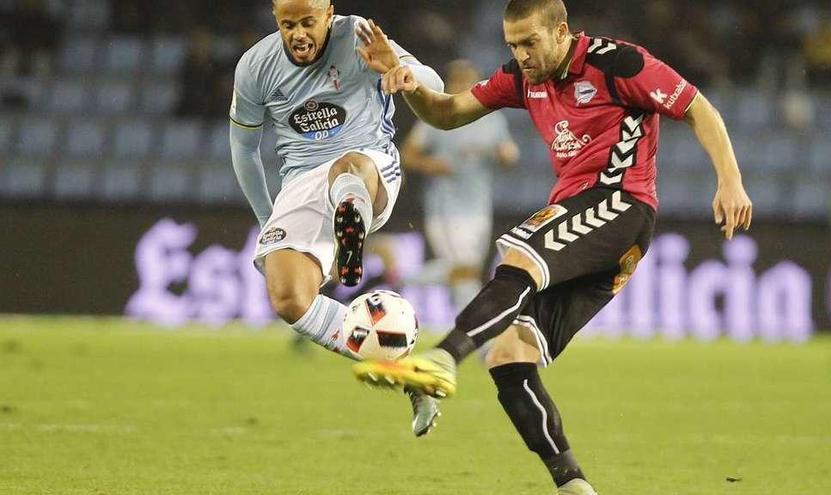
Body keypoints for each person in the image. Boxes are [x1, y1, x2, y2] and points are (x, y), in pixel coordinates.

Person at [353, 0, 753, 493]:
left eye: (529, 42)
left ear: (561, 31)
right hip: (590, 221)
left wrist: (730, 181)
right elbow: (447, 113)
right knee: (508, 354)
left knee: (520, 255)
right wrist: (403, 78)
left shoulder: (617, 62)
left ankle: (443, 359)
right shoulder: (524, 79)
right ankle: (572, 484)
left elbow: (697, 107)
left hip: (619, 202)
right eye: (512, 45)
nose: (520, 55)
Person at [228, 0, 444, 437]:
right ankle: (402, 368)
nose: (298, 34)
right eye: (288, 24)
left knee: (347, 168)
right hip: (301, 184)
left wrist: (405, 73)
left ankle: (352, 227)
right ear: (275, 17)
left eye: (308, 22)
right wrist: (268, 218)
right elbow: (244, 149)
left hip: (369, 164)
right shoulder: (255, 66)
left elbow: (434, 81)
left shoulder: (359, 34)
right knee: (288, 297)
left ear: (329, 13)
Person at [401, 59, 520, 312]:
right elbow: (408, 154)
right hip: (446, 206)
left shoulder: (492, 119)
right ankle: (478, 336)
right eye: (460, 80)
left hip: (479, 206)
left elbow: (509, 155)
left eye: (470, 80)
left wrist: (506, 156)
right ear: (451, 84)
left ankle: (395, 280)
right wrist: (431, 165)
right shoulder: (437, 114)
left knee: (466, 273)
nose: (465, 85)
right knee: (465, 272)